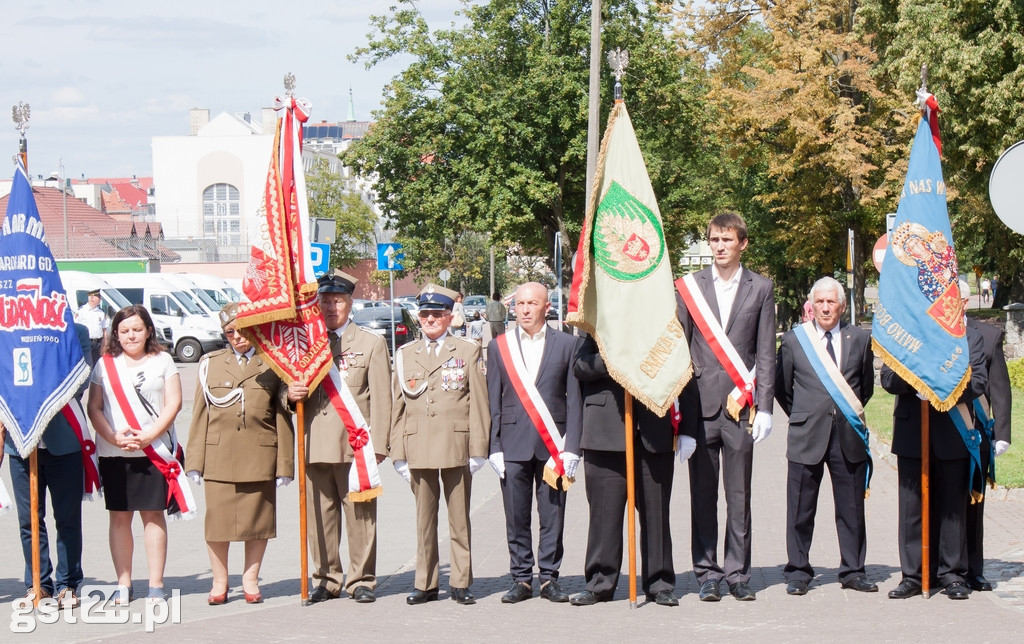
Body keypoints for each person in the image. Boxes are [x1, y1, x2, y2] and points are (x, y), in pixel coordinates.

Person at [674, 211, 776, 602]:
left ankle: (737, 573)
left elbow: (766, 351)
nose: (719, 247)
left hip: (741, 407)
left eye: (727, 240)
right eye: (714, 240)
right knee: (702, 495)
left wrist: (764, 406)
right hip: (699, 409)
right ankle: (706, 573)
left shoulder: (762, 288)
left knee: (739, 496)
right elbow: (679, 351)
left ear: (742, 243)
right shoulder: (688, 288)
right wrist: (680, 421)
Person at [286, 270, 392, 604]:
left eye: (338, 301)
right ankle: (326, 579)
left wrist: (380, 445)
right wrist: (290, 395)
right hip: (315, 441)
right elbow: (286, 395)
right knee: (319, 517)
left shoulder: (370, 343)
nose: (331, 308)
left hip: (354, 445)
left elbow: (382, 399)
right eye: (325, 302)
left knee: (361, 516)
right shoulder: (304, 346)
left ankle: (362, 579)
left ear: (350, 303)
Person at [185, 303, 294, 605]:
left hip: (259, 454)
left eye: (243, 330)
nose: (237, 337)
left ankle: (250, 578)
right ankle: (220, 581)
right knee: (217, 523)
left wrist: (285, 463)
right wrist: (194, 461)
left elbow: (282, 415)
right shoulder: (210, 363)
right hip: (218, 456)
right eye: (230, 332)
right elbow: (199, 414)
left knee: (257, 521)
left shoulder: (272, 362)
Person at [775, 277, 877, 595]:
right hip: (807, 435)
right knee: (800, 508)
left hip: (848, 436)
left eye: (831, 302)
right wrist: (805, 415)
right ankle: (798, 571)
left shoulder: (860, 339)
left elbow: (865, 387)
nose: (825, 307)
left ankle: (853, 571)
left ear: (842, 306)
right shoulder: (794, 340)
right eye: (819, 301)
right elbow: (782, 388)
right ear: (811, 305)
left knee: (851, 509)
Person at [389, 283, 489, 606]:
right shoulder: (405, 355)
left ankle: (460, 582)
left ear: (449, 317)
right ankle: (426, 583)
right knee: (424, 522)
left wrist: (478, 449)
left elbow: (479, 403)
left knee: (459, 520)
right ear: (419, 318)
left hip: (456, 446)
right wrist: (397, 454)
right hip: (418, 447)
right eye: (426, 314)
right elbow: (397, 407)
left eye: (438, 314)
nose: (431, 319)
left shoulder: (467, 350)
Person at [486, 282, 582, 604]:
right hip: (512, 445)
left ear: (546, 307)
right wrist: (493, 446)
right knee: (516, 515)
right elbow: (493, 402)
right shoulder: (499, 346)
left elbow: (574, 401)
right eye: (520, 304)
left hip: (553, 445)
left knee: (553, 514)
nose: (525, 309)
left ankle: (549, 578)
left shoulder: (567, 345)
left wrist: (573, 448)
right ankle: (521, 578)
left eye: (532, 303)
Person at [882, 318, 987, 600]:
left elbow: (977, 383)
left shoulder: (969, 338)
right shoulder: (906, 334)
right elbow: (887, 380)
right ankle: (913, 576)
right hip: (911, 432)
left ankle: (953, 575)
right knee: (911, 509)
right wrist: (916, 380)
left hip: (952, 432)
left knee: (953, 507)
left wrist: (941, 387)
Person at [569, 333, 678, 607]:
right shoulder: (600, 320)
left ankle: (660, 583)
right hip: (605, 432)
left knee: (657, 514)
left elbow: (680, 366)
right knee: (604, 515)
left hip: (654, 428)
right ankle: (600, 583)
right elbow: (580, 366)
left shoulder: (661, 318)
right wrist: (616, 361)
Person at [86, 305, 183, 603]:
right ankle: (124, 583)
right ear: (115, 333)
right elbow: (94, 407)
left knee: (153, 516)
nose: (131, 336)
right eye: (124, 331)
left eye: (137, 329)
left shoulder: (164, 360)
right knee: (119, 517)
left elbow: (174, 402)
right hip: (115, 453)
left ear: (148, 330)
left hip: (153, 453)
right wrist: (114, 437)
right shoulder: (105, 365)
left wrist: (150, 436)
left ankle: (156, 584)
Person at [0, 323, 92, 608]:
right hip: (20, 443)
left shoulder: (75, 332)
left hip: (63, 441)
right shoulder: (7, 333)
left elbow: (82, 378)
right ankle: (38, 584)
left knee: (66, 518)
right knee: (29, 520)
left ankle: (68, 583)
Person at [959, 279, 1012, 591]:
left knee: (974, 502)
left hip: (976, 432)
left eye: (959, 300)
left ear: (965, 302)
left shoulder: (988, 335)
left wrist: (1001, 432)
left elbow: (999, 387)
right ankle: (947, 567)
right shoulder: (937, 333)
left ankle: (974, 571)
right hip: (945, 429)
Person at [75, 288, 108, 364]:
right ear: (92, 297)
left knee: (98, 364)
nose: (100, 299)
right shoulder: (81, 311)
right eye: (99, 297)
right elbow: (76, 329)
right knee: (87, 364)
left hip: (98, 343)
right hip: (86, 342)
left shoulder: (101, 312)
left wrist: (105, 344)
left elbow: (104, 329)